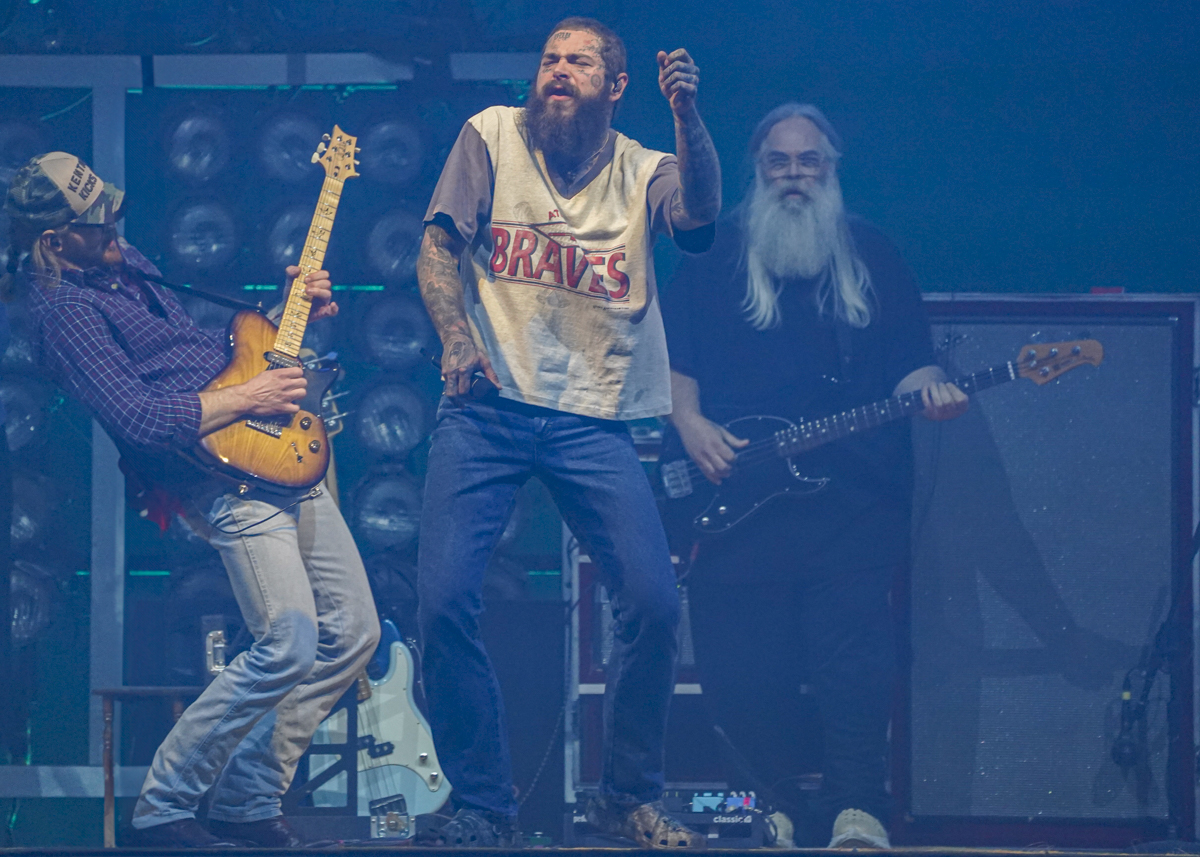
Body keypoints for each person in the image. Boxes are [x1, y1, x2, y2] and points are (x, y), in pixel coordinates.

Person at [3, 152, 380, 848]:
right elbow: (140, 417)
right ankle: (162, 805)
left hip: (273, 443)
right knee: (289, 637)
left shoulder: (119, 258)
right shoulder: (63, 311)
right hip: (217, 474)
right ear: (53, 241)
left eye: (112, 206)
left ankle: (246, 798)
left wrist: (284, 315)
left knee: (353, 630)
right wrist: (253, 396)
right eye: (96, 221)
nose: (115, 224)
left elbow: (206, 351)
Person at [415, 16, 720, 849]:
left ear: (615, 87)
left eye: (579, 62)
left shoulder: (643, 165)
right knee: (441, 603)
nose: (558, 71)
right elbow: (438, 249)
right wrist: (453, 333)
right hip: (487, 405)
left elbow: (697, 216)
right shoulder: (491, 135)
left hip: (596, 413)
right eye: (550, 59)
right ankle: (482, 802)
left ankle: (625, 795)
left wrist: (688, 117)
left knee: (655, 606)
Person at [660, 104, 967, 849]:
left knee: (855, 666)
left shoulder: (873, 253)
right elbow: (670, 361)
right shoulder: (714, 253)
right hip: (739, 497)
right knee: (741, 673)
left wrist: (934, 388)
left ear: (832, 170)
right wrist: (692, 426)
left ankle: (858, 807)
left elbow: (910, 361)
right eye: (779, 162)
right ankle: (777, 805)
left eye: (809, 162)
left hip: (854, 503)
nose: (795, 175)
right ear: (757, 171)